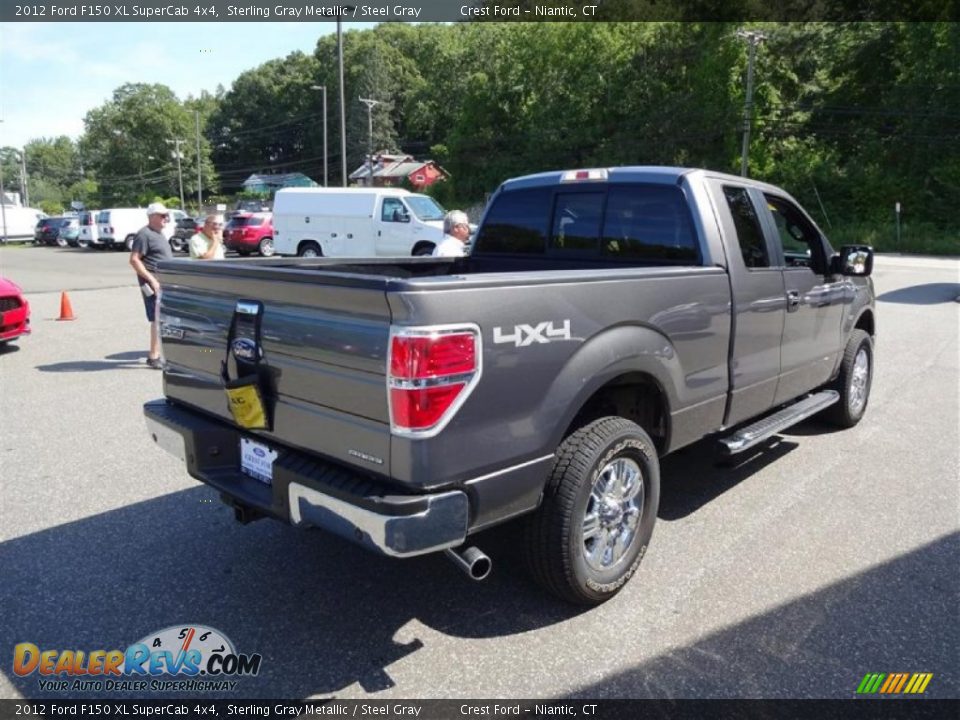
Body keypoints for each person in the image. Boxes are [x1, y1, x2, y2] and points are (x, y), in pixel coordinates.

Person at [129, 202, 173, 369]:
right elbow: (134, 260)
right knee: (157, 318)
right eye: (162, 216)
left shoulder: (159, 234)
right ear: (152, 216)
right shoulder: (144, 235)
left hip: (164, 283)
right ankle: (153, 356)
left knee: (163, 318)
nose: (166, 219)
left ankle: (161, 352)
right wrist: (152, 280)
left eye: (166, 215)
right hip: (153, 285)